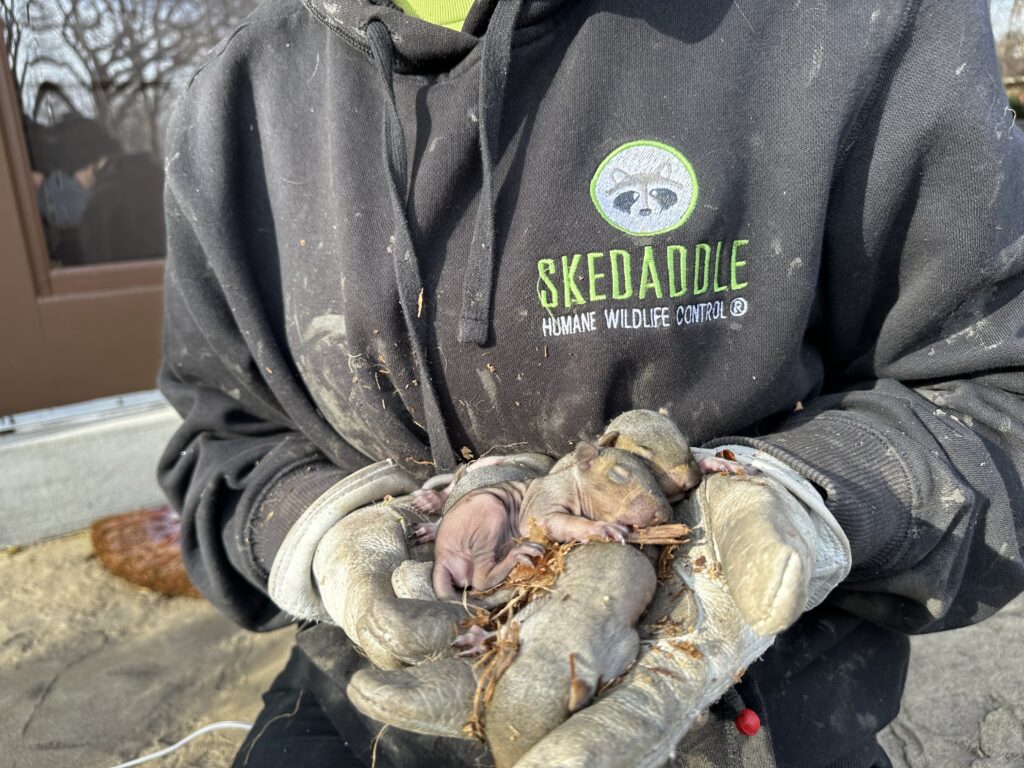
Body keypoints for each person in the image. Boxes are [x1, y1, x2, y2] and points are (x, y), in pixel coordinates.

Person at [156, 1, 1024, 766]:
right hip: (369, 700)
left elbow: (992, 392)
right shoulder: (236, 103)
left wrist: (809, 498)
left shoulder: (851, 23)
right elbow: (226, 441)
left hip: (762, 699)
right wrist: (328, 531)